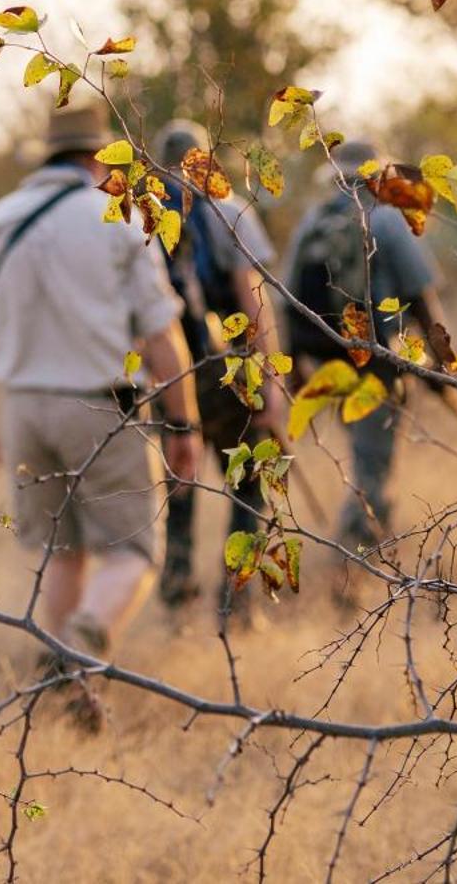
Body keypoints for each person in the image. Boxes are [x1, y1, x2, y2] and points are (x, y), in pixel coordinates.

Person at [0, 101, 201, 728]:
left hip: (24, 409)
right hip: (100, 406)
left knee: (61, 554)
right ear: (99, 157)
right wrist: (184, 426)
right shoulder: (118, 219)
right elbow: (162, 334)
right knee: (133, 556)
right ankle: (79, 650)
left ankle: (69, 699)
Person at [149, 119, 290, 610]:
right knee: (250, 481)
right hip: (229, 374)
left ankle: (176, 585)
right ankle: (237, 600)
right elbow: (252, 301)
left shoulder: (143, 218)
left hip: (169, 376)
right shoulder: (226, 212)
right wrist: (270, 381)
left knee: (179, 483)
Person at [284, 137, 451, 549]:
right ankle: (353, 556)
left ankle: (371, 552)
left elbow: (285, 299)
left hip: (330, 360)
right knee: (372, 466)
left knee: (364, 456)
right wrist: (443, 364)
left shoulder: (313, 220)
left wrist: (295, 369)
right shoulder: (390, 218)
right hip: (378, 361)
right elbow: (422, 296)